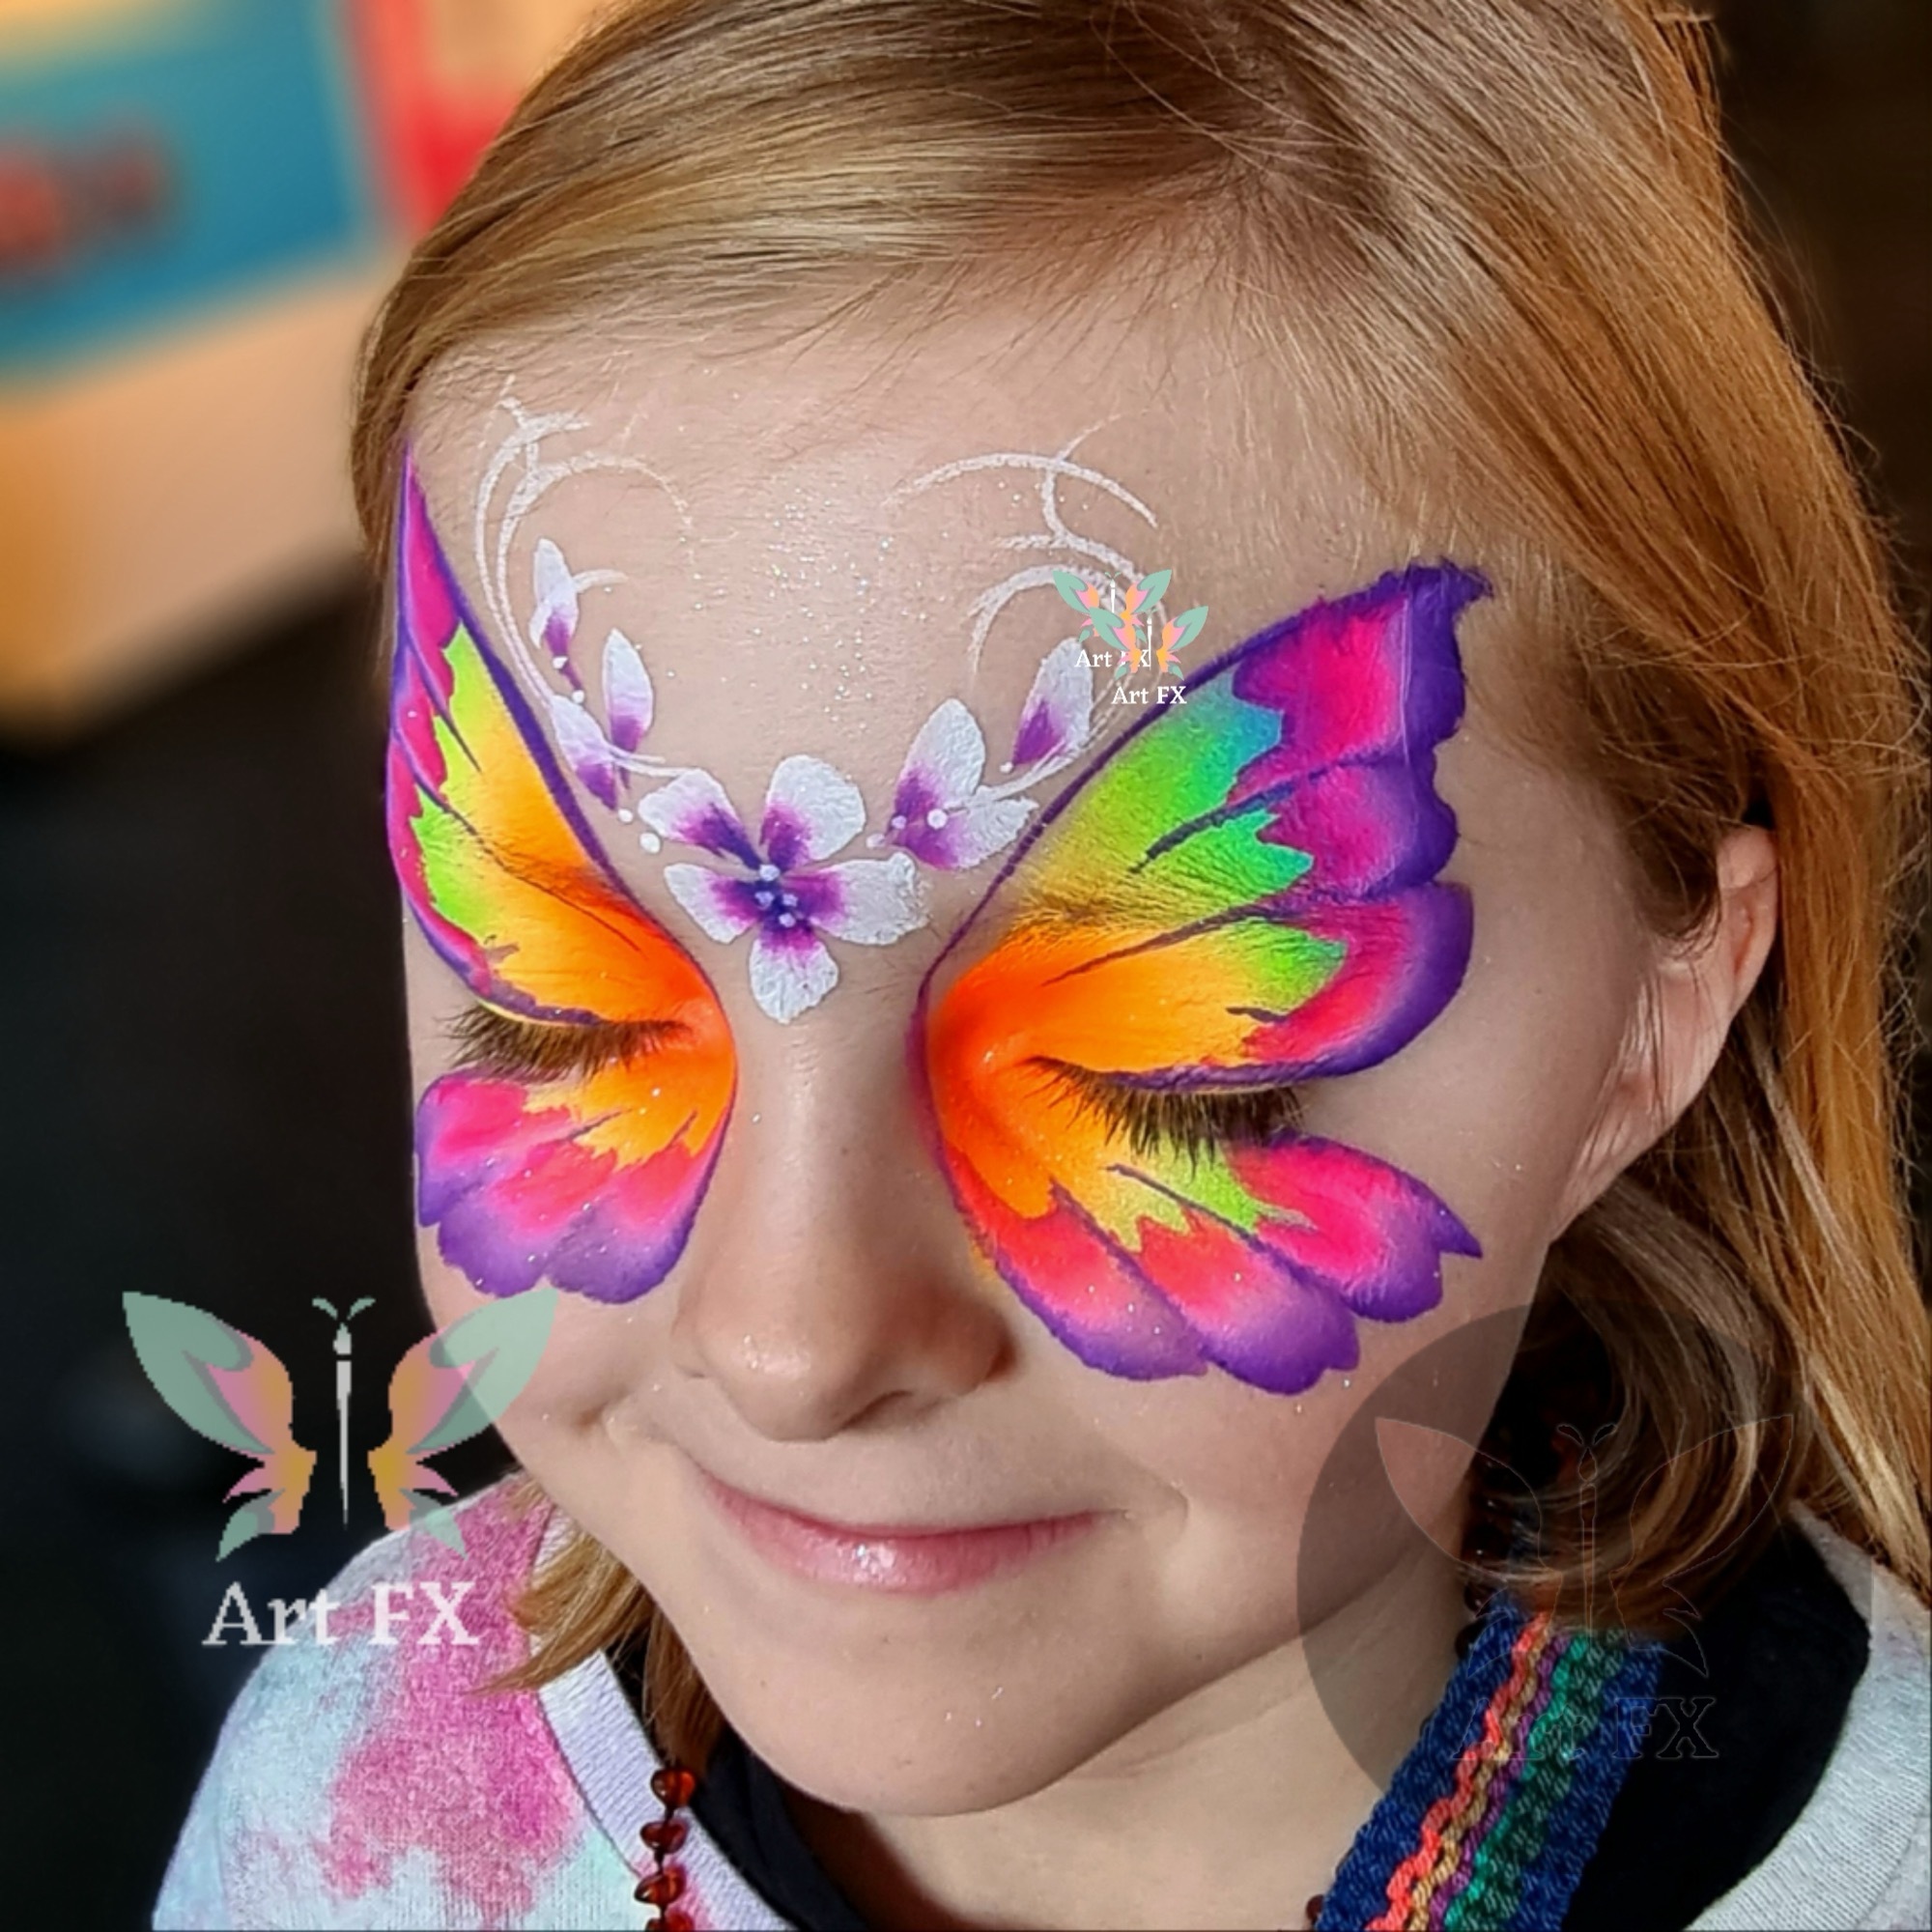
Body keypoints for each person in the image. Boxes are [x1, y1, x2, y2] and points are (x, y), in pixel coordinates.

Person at [155, 3, 1930, 1927]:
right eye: (556, 1020)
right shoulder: (357, 1785)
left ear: (1653, 1021)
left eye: (1166, 1087)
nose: (794, 1341)